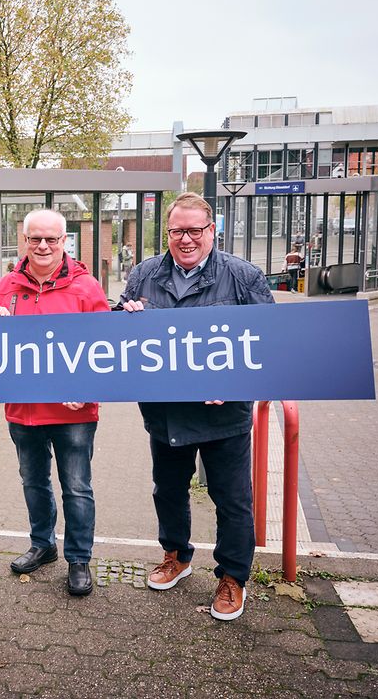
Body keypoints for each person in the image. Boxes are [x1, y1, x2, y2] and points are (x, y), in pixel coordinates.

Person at [118, 192, 274, 621]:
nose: (185, 239)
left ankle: (232, 577)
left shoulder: (243, 276)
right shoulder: (144, 275)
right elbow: (117, 338)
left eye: (194, 230)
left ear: (212, 231)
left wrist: (238, 379)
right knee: (167, 491)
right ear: (167, 232)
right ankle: (177, 556)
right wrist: (124, 313)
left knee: (232, 499)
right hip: (164, 412)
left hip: (224, 416)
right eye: (177, 231)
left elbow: (273, 342)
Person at [0, 210, 110, 596]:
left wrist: (86, 389)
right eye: (35, 238)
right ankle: (43, 545)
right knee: (33, 482)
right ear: (23, 240)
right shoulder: (5, 286)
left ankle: (79, 558)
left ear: (64, 241)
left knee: (76, 486)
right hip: (23, 409)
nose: (42, 246)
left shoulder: (87, 288)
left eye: (51, 240)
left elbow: (106, 352)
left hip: (74, 411)